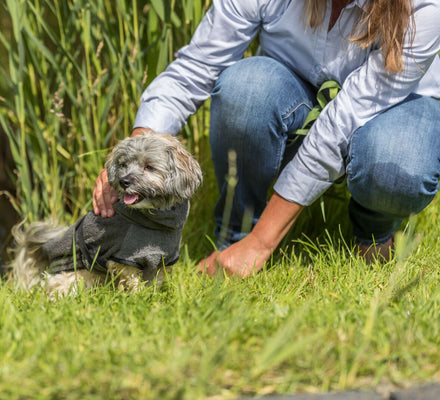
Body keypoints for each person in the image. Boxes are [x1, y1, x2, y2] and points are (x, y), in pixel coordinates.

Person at [93, 0, 440, 277]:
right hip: (297, 88)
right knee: (246, 89)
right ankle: (235, 236)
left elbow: (343, 121)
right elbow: (194, 69)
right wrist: (135, 154)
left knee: (398, 161)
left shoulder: (423, 7)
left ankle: (373, 232)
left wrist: (263, 243)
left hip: (395, 105)